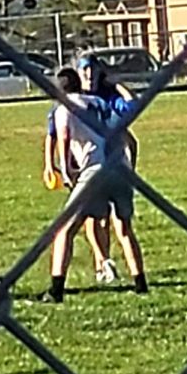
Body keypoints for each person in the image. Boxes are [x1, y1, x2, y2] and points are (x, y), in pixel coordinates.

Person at [42, 67, 147, 303]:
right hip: (120, 168)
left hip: (94, 170)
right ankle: (140, 283)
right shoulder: (100, 102)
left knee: (65, 229)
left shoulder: (64, 108)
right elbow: (128, 138)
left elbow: (65, 139)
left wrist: (68, 173)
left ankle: (56, 290)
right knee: (124, 228)